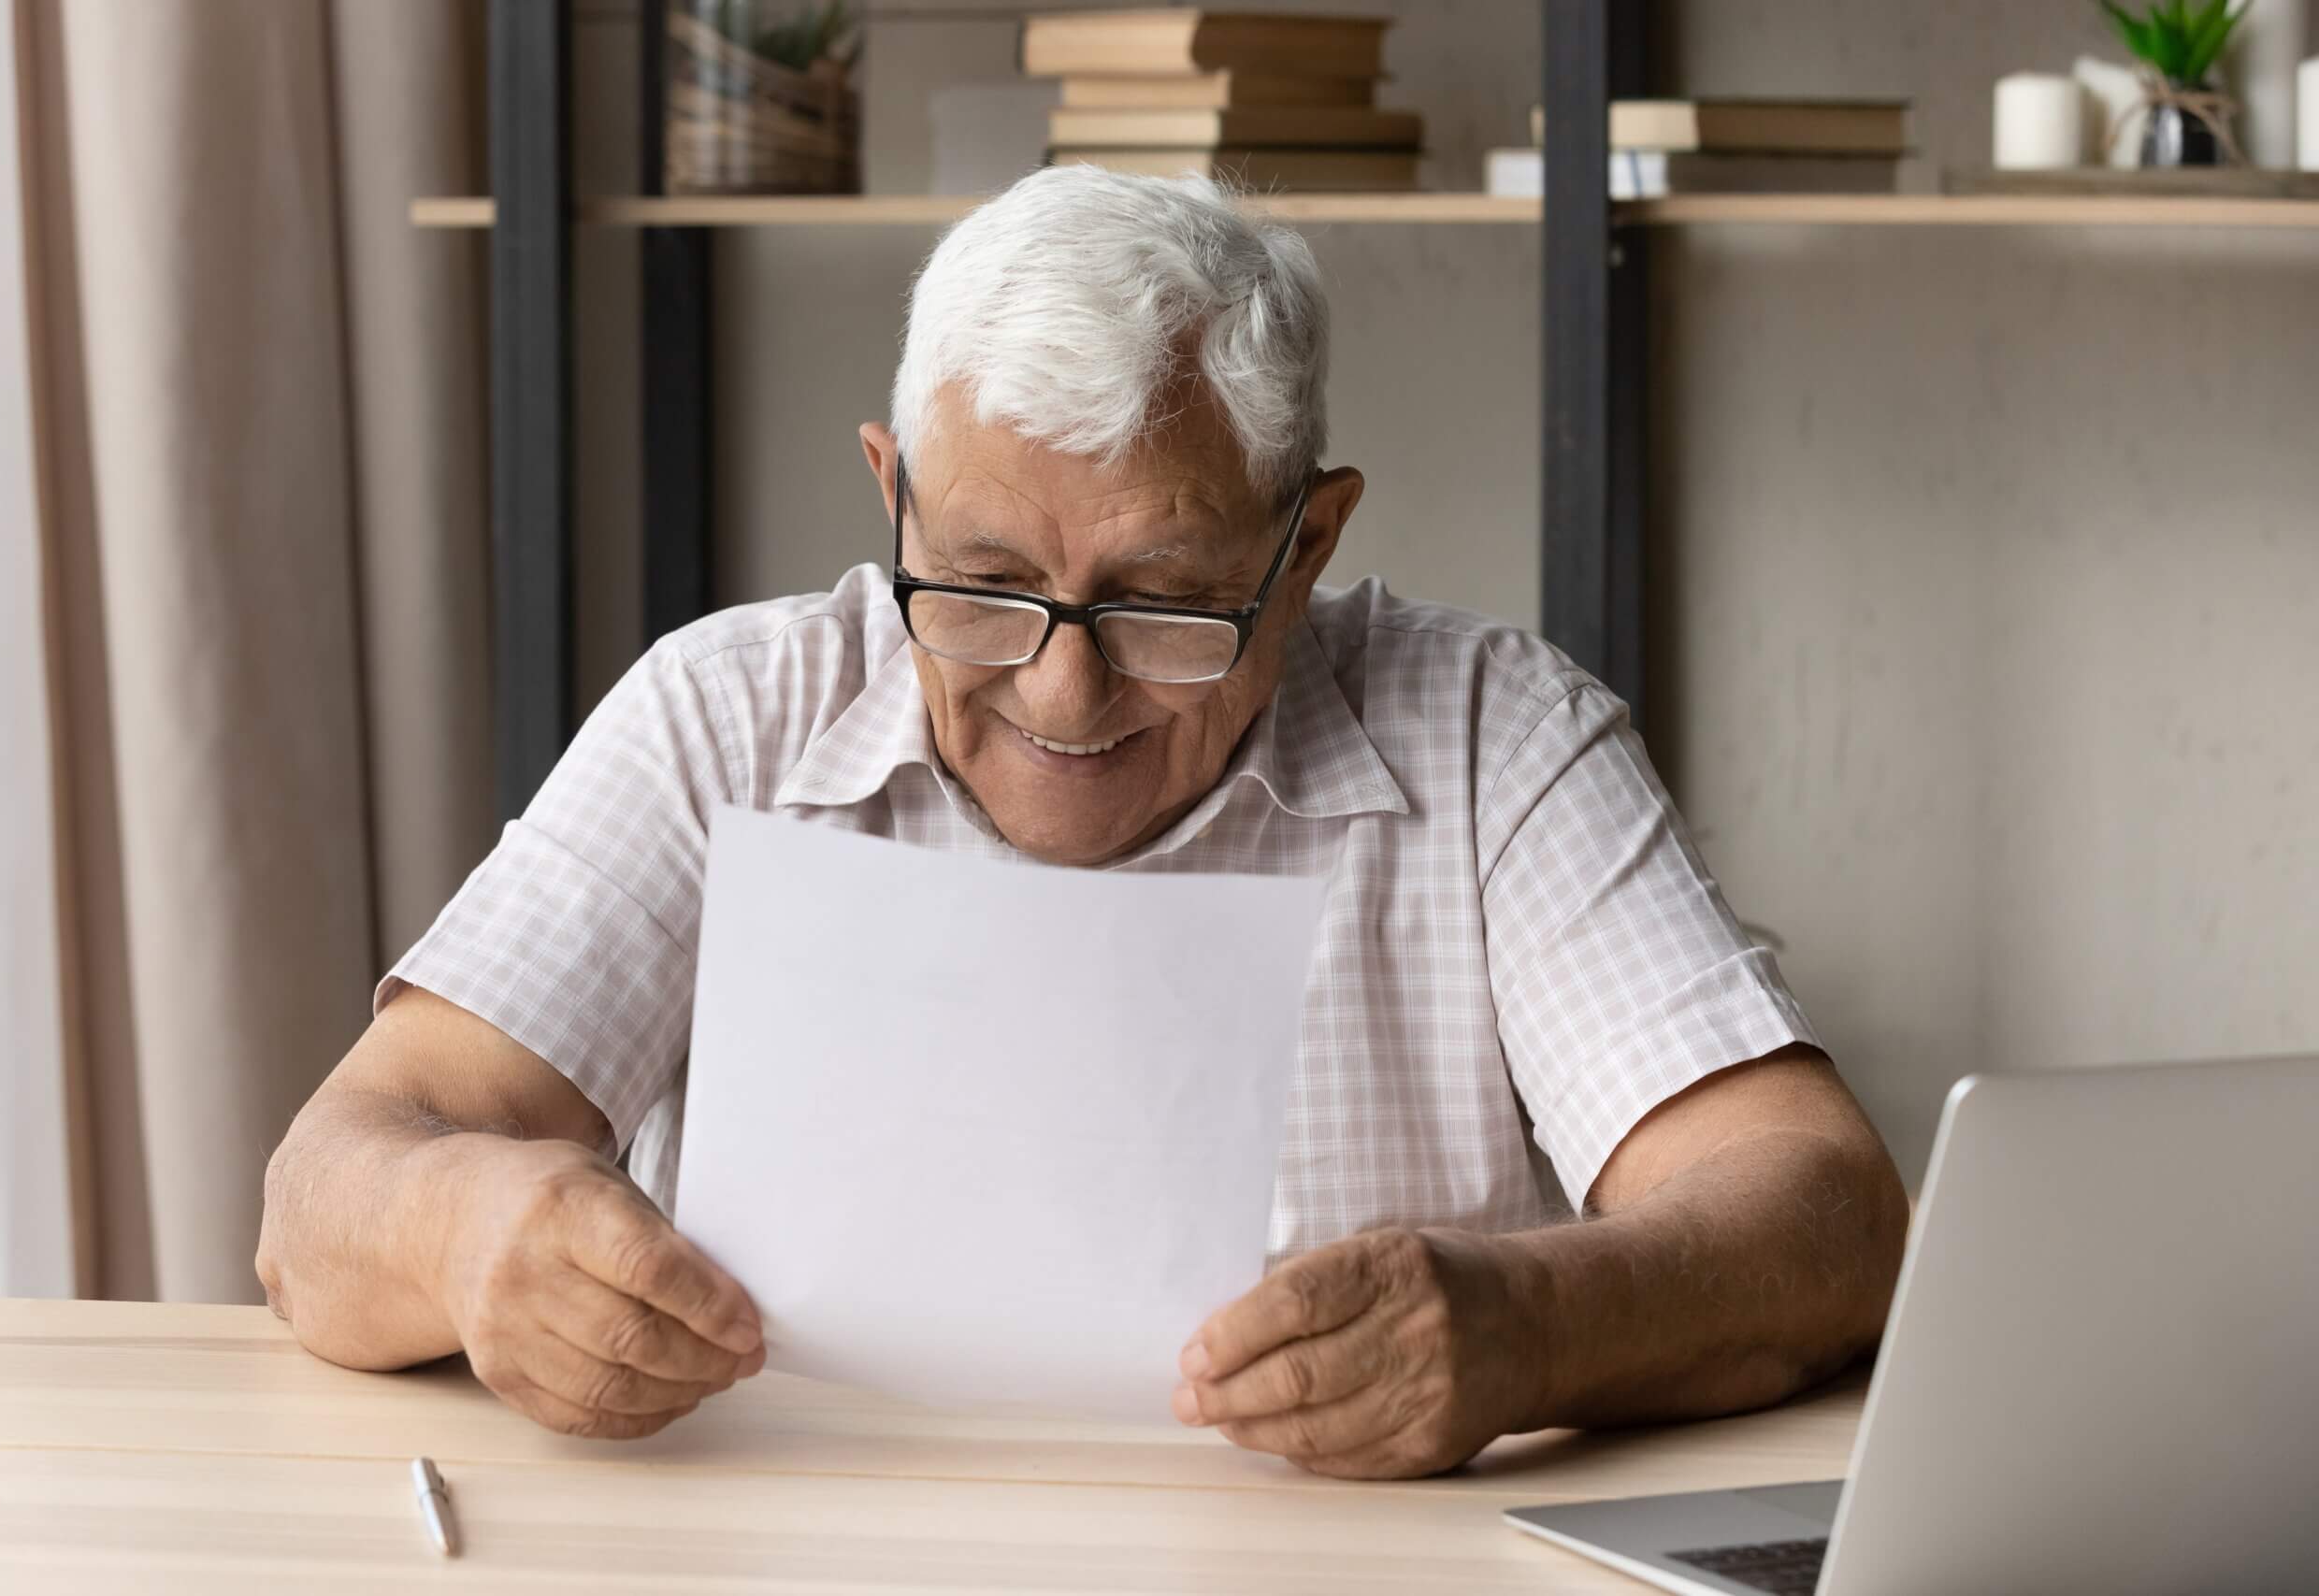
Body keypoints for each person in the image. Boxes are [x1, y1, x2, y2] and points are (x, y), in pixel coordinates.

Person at [257, 165, 1908, 1481]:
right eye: (982, 586)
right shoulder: (724, 715)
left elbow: (1823, 1215)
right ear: (891, 494)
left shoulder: (1492, 738)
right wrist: (473, 1232)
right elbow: (326, 1190)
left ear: (1308, 545)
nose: (1063, 695)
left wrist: (1530, 1328)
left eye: (1168, 602)